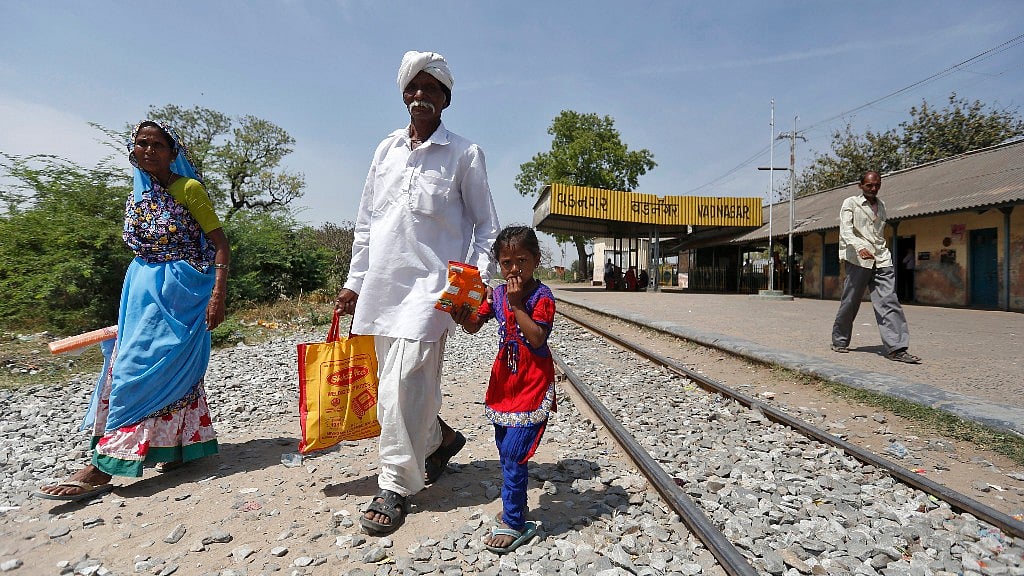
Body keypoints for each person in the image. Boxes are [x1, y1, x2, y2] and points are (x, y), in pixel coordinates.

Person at [334, 51, 501, 535]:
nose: (421, 95)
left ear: (446, 99)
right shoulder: (385, 150)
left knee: (402, 385)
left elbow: (486, 228)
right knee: (400, 386)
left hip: (432, 291)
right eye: (414, 87)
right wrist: (353, 283)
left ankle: (395, 485)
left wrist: (469, 290)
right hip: (382, 287)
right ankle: (439, 439)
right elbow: (366, 224)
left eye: (432, 89)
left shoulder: (464, 154)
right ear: (404, 93)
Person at [34, 121, 230, 501]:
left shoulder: (189, 189)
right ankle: (178, 448)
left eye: (158, 145)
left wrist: (217, 296)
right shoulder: (137, 197)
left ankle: (102, 467)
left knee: (140, 369)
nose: (149, 151)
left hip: (181, 292)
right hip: (140, 291)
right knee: (129, 362)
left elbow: (220, 243)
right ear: (132, 150)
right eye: (142, 144)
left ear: (173, 153)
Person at [451, 226, 553, 555]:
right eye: (507, 263)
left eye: (522, 261)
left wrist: (516, 303)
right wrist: (459, 313)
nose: (514, 269)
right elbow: (473, 325)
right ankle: (515, 506)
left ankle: (514, 521)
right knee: (505, 448)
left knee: (513, 452)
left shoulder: (542, 296)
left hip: (532, 383)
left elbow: (537, 339)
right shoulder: (496, 295)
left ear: (536, 260)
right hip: (505, 383)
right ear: (498, 264)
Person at [831, 171, 920, 363]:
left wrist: (881, 252)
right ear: (860, 185)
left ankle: (897, 348)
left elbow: (878, 233)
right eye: (869, 185)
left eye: (877, 185)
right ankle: (839, 339)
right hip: (858, 259)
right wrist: (860, 247)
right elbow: (846, 230)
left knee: (889, 300)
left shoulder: (882, 205)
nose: (873, 188)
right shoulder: (850, 203)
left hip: (881, 258)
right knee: (850, 301)